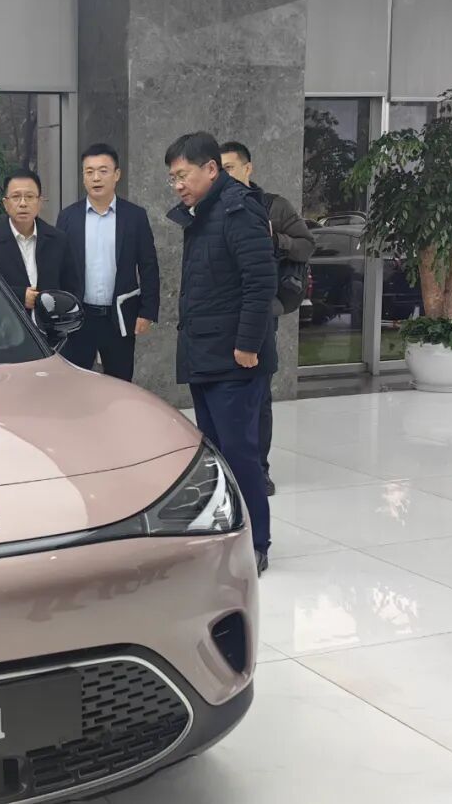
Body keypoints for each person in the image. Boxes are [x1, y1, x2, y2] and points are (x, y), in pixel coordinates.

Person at [165, 132, 277, 575]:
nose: (177, 185)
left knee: (240, 454)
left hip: (235, 360)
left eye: (183, 175)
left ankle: (256, 543)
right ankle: (225, 535)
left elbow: (260, 282)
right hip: (205, 355)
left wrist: (248, 344)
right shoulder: (204, 212)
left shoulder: (238, 209)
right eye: (172, 178)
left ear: (211, 169)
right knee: (215, 456)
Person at [220, 141, 315, 496]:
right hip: (222, 315)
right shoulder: (213, 210)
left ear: (248, 169)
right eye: (219, 170)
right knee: (224, 397)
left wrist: (278, 240)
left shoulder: (274, 206)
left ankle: (259, 470)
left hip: (260, 313)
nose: (225, 176)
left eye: (230, 168)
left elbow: (307, 245)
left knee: (258, 396)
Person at [56, 143, 160, 382]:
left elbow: (148, 265)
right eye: (89, 171)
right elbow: (59, 266)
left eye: (103, 171)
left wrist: (147, 311)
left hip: (120, 316)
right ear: (83, 177)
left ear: (117, 174)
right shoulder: (68, 217)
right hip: (79, 317)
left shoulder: (134, 216)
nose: (96, 178)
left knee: (120, 382)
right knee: (75, 383)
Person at [0, 169, 82, 316]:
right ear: (5, 203)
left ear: (40, 202)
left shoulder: (58, 241)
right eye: (16, 197)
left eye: (29, 197)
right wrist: (19, 297)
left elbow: (72, 291)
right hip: (8, 326)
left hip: (50, 327)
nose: (23, 203)